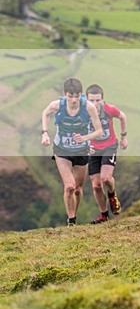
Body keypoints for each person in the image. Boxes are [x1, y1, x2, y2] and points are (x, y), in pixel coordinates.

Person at [41, 78, 103, 226]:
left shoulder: (89, 107)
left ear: (81, 94)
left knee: (77, 189)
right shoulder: (57, 105)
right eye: (70, 96)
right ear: (64, 94)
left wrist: (85, 138)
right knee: (69, 186)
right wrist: (44, 133)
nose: (74, 100)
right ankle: (71, 221)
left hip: (82, 151)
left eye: (77, 96)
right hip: (62, 150)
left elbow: (99, 131)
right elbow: (45, 113)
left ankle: (73, 214)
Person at [85, 84, 128, 224]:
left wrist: (123, 137)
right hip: (93, 150)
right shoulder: (83, 113)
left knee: (106, 178)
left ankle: (112, 194)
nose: (95, 104)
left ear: (103, 99)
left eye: (98, 100)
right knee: (96, 185)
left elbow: (123, 117)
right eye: (91, 100)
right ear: (86, 100)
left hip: (109, 146)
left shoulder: (109, 110)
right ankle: (104, 215)